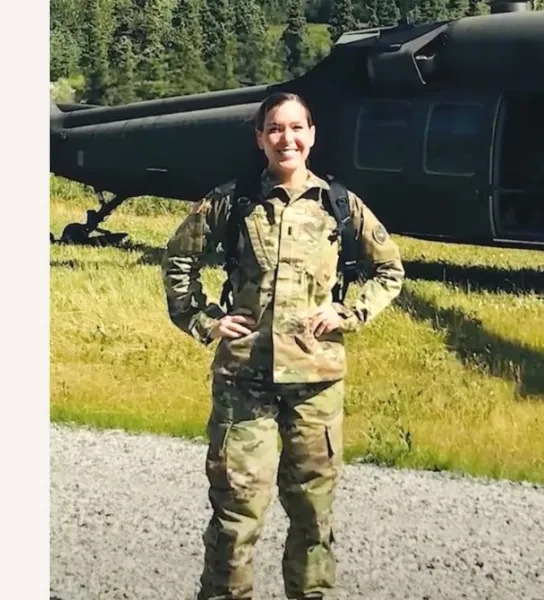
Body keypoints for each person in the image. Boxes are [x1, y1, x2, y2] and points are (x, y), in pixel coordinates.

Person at [160, 92, 405, 600]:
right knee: (235, 516)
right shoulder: (233, 201)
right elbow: (178, 260)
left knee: (313, 518)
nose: (285, 138)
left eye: (296, 128)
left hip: (316, 386)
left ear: (312, 135)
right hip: (244, 382)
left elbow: (389, 270)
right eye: (274, 128)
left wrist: (348, 313)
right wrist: (205, 321)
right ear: (259, 138)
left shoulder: (339, 205)